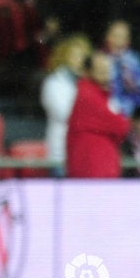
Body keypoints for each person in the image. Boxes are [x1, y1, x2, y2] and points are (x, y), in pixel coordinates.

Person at [66, 51, 131, 178]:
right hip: (91, 167)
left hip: (100, 166)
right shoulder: (87, 94)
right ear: (87, 72)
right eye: (100, 70)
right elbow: (120, 125)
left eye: (107, 69)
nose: (106, 73)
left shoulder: (103, 94)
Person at [40, 33, 92, 177]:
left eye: (84, 55)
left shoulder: (91, 83)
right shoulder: (53, 83)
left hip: (87, 155)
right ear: (64, 56)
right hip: (61, 156)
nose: (80, 59)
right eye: (75, 55)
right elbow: (65, 113)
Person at [103, 19, 140, 118]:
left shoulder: (133, 60)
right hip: (105, 108)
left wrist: (132, 81)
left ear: (127, 40)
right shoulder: (101, 58)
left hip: (129, 111)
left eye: (122, 36)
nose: (118, 39)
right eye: (115, 35)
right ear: (108, 37)